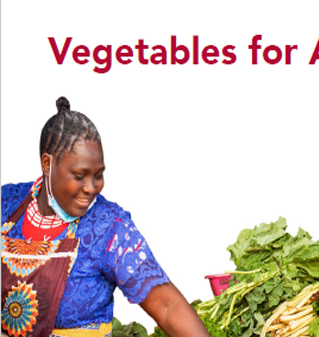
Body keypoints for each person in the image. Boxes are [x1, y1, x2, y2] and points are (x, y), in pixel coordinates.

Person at [1, 97, 210, 337]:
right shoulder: (6, 204)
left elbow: (167, 307)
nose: (91, 188)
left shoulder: (110, 227)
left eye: (98, 175)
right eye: (79, 175)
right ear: (48, 164)